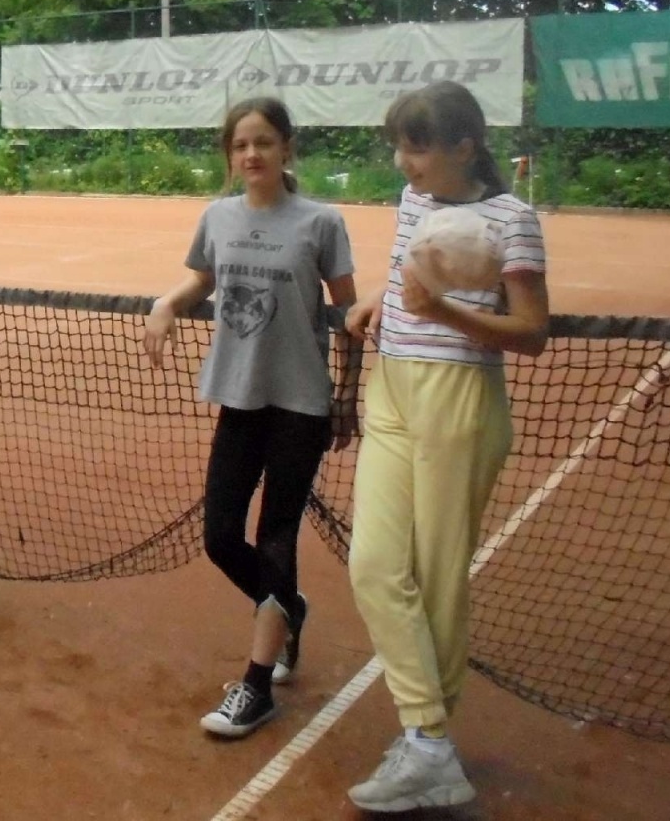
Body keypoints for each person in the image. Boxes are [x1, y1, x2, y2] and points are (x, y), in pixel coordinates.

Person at [343, 80, 548, 812]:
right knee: (372, 563)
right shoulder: (412, 203)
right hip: (390, 390)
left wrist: (447, 313)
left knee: (437, 578)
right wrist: (379, 298)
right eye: (400, 145)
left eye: (420, 147)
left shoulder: (512, 220)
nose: (405, 161)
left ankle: (426, 742)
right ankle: (430, 742)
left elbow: (532, 331)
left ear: (466, 146)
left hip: (459, 399)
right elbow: (409, 282)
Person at [143, 97, 358, 739]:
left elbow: (347, 316)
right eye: (240, 145)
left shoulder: (322, 222)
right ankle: (288, 606)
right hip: (238, 394)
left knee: (276, 535)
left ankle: (257, 686)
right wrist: (165, 303)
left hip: (300, 402)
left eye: (264, 142)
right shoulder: (217, 216)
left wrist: (346, 395)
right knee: (219, 537)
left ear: (287, 148)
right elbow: (199, 282)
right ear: (229, 154)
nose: (252, 154)